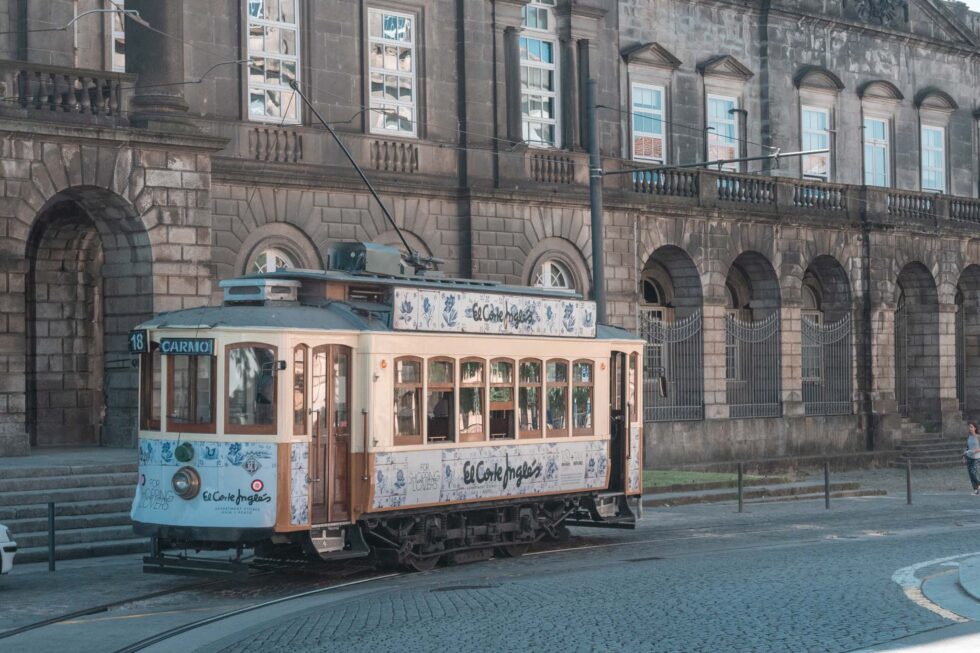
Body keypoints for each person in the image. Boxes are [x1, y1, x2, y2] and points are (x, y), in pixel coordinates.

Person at [966, 422, 980, 496]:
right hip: (969, 457)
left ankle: (978, 487)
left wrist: (975, 451)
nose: (970, 428)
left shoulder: (978, 437)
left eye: (971, 427)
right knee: (971, 474)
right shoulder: (969, 436)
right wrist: (964, 455)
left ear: (975, 428)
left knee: (975, 474)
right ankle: (975, 489)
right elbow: (967, 447)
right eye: (969, 427)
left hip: (976, 458)